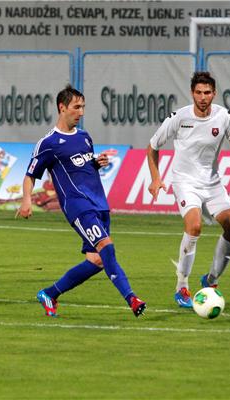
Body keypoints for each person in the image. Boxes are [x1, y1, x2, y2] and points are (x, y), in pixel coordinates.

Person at [17, 85, 147, 318]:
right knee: (107, 247)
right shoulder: (49, 143)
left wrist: (97, 163)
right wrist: (27, 200)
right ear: (62, 107)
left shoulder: (85, 137)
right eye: (76, 107)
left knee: (97, 260)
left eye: (83, 107)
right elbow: (30, 175)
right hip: (77, 206)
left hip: (99, 203)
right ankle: (132, 298)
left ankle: (50, 293)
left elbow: (82, 167)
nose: (81, 112)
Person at [147, 71, 230, 309]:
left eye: (207, 92)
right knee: (194, 226)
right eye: (198, 92)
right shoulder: (179, 117)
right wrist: (156, 178)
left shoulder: (226, 117)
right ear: (192, 93)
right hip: (185, 182)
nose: (203, 97)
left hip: (212, 182)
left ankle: (211, 279)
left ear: (214, 94)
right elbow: (153, 146)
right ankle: (181, 286)